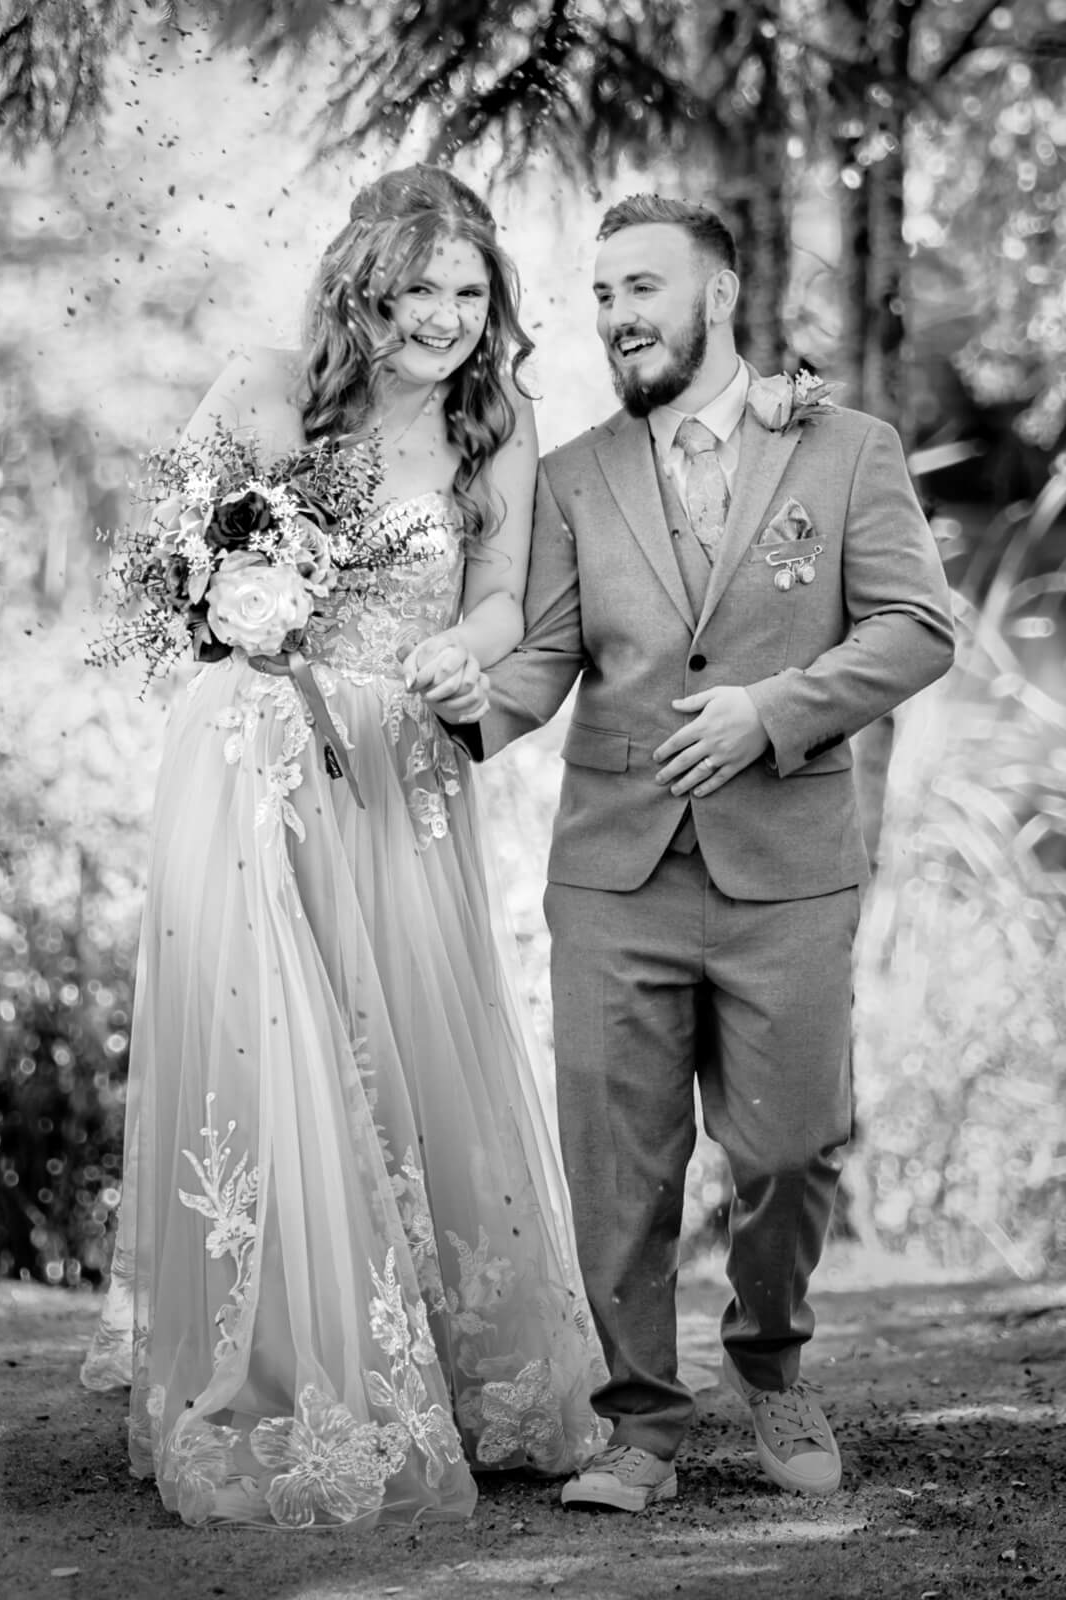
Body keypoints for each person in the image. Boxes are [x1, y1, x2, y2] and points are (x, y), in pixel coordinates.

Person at [81, 165, 606, 1529]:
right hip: (252, 758)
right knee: (277, 1050)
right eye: (418, 286)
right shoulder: (262, 390)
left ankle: (449, 1357)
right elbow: (159, 568)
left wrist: (461, 657)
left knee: (413, 1049)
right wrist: (236, 609)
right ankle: (283, 1369)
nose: (442, 316)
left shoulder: (497, 422)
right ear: (358, 284)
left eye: (468, 291)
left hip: (397, 766)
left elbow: (499, 601)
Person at [423, 193, 955, 1509]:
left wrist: (774, 713)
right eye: (601, 295)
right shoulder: (571, 477)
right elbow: (546, 655)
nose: (618, 319)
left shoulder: (846, 449)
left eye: (643, 289)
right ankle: (642, 1429)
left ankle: (772, 1366)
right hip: (615, 869)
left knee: (792, 1149)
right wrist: (448, 710)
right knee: (617, 1164)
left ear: (718, 294)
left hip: (787, 870)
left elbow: (915, 628)